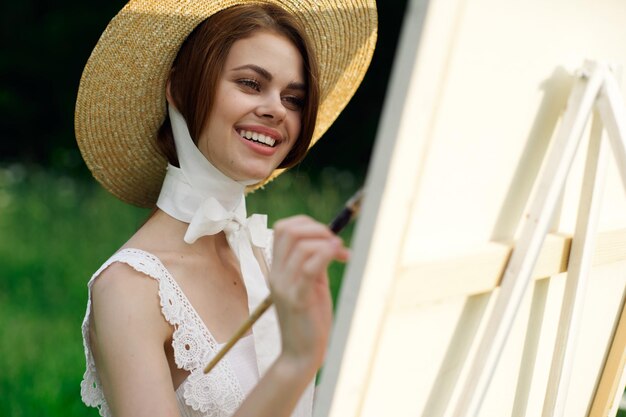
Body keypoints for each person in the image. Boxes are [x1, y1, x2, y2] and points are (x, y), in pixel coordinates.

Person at [74, 1, 377, 417]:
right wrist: (296, 361)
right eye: (251, 84)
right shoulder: (129, 288)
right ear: (180, 88)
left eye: (293, 98)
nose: (277, 109)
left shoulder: (273, 257)